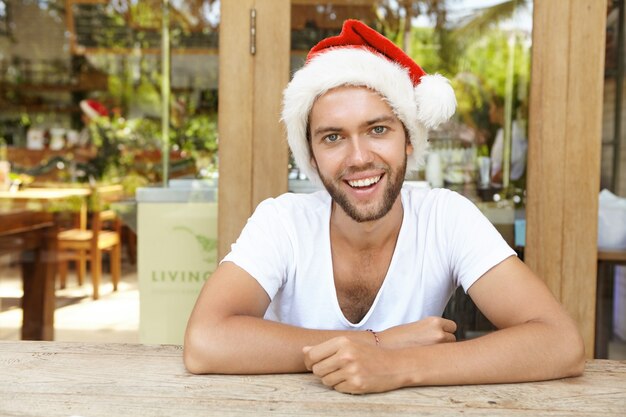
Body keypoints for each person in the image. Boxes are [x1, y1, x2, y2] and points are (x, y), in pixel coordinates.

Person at [184, 20, 584, 394]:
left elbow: (559, 341)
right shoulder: (283, 221)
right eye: (333, 137)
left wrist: (398, 365)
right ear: (311, 154)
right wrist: (380, 342)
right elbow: (205, 341)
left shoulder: (446, 217)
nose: (358, 158)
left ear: (408, 138)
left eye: (378, 130)